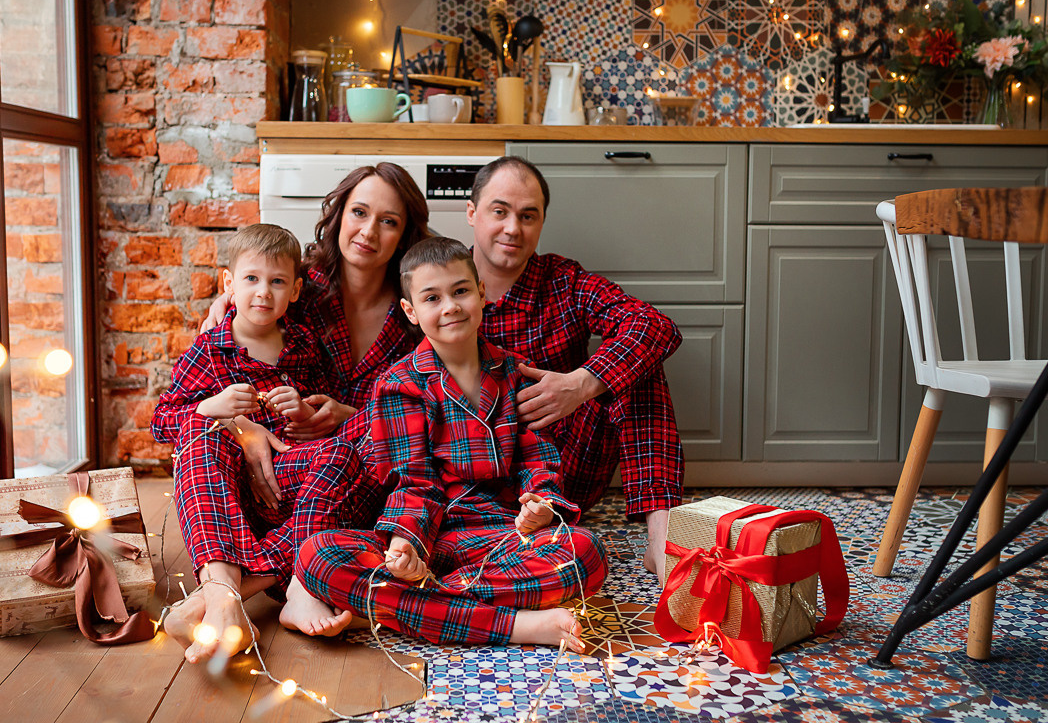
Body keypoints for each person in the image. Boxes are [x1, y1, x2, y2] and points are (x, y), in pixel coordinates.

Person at [162, 164, 430, 661]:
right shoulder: (300, 285)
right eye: (359, 212)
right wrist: (242, 426)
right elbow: (251, 289)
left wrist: (342, 414)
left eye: (389, 221)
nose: (369, 231)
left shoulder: (419, 304)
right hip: (256, 483)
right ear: (339, 215)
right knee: (201, 438)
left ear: (405, 234)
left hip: (337, 482)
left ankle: (228, 596)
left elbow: (423, 411)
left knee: (387, 442)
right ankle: (240, 589)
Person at [296, 237, 607, 649]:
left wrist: (541, 503)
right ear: (411, 311)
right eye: (432, 297)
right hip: (432, 536)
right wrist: (407, 545)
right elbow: (413, 483)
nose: (450, 306)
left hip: (502, 537)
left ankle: (394, 609)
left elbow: (538, 456)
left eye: (460, 291)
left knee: (586, 552)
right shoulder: (398, 385)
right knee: (318, 555)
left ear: (480, 293)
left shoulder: (515, 372)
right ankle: (518, 627)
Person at [466, 156, 684, 577]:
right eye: (499, 211)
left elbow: (656, 326)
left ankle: (662, 540)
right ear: (472, 212)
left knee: (637, 363)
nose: (513, 228)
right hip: (477, 471)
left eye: (528, 216)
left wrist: (581, 384)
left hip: (567, 467)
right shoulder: (442, 283)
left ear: (542, 223)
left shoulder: (563, 280)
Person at [151, 223, 333, 659]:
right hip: (225, 495)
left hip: (289, 487)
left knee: (345, 457)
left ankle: (210, 602)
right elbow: (162, 421)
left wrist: (304, 409)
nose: (263, 293)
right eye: (250, 279)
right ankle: (224, 596)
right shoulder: (209, 351)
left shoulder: (304, 346)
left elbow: (327, 420)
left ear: (295, 290)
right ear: (229, 283)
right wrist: (213, 407)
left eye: (276, 282)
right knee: (199, 431)